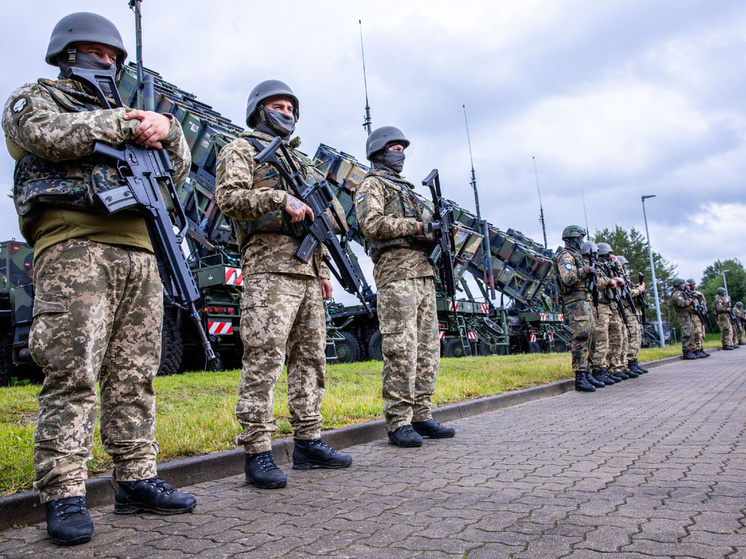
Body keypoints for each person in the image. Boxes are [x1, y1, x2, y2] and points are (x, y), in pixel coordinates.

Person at [2, 12, 197, 546]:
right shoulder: (37, 96)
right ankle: (63, 493)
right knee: (72, 372)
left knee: (135, 374)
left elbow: (176, 171)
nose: (107, 62)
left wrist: (169, 131)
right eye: (96, 52)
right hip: (74, 248)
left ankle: (136, 480)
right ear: (67, 53)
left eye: (113, 56)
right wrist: (123, 124)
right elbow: (42, 135)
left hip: (139, 253)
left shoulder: (137, 113)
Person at [215, 80, 352, 488]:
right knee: (264, 359)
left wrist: (324, 273)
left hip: (308, 274)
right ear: (259, 109)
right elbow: (229, 199)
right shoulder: (240, 149)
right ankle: (257, 450)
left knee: (311, 360)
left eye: (292, 108)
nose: (287, 113)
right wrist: (279, 199)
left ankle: (308, 441)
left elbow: (323, 222)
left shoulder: (303, 162)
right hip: (269, 271)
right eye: (278, 106)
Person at [355, 126, 455, 446]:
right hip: (396, 275)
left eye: (402, 148)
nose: (401, 153)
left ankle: (421, 414)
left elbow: (429, 229)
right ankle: (398, 422)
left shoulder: (409, 190)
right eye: (394, 147)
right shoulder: (372, 184)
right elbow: (371, 224)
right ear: (380, 151)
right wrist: (420, 226)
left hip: (424, 275)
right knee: (401, 348)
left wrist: (439, 229)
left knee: (428, 349)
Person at [552, 227, 599, 392]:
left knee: (591, 336)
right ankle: (580, 377)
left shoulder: (577, 256)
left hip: (585, 300)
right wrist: (584, 270)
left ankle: (588, 372)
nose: (582, 241)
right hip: (575, 301)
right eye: (580, 237)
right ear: (573, 238)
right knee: (582, 337)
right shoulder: (565, 256)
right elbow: (567, 278)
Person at [616, 256, 648, 373]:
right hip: (626, 310)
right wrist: (639, 290)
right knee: (630, 337)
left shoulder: (625, 279)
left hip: (633, 311)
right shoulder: (619, 278)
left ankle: (633, 361)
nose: (625, 267)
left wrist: (638, 289)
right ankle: (629, 362)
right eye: (624, 265)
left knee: (636, 337)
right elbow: (627, 293)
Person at [671, 278, 700, 359]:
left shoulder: (683, 293)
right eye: (682, 284)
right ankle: (686, 351)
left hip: (688, 315)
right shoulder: (677, 294)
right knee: (687, 333)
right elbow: (681, 303)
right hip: (683, 316)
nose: (684, 286)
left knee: (691, 333)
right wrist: (690, 302)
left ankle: (690, 350)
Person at [686, 279, 710, 358]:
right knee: (697, 332)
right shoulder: (688, 294)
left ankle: (700, 348)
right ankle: (695, 349)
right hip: (694, 315)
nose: (694, 286)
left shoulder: (697, 294)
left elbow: (703, 303)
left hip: (700, 315)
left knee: (702, 333)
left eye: (694, 284)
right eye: (692, 284)